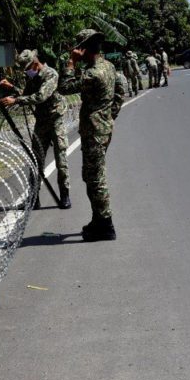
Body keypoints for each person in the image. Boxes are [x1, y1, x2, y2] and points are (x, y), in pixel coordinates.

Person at [58, 29, 125, 241]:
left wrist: (71, 63)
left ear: (84, 49)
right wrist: (108, 117)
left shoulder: (93, 74)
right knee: (91, 175)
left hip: (94, 132)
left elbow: (64, 87)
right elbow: (120, 91)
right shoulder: (109, 66)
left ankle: (105, 224)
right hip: (102, 129)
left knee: (95, 178)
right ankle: (98, 219)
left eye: (78, 48)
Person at [0, 49, 71, 210]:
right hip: (41, 120)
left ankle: (64, 194)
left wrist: (16, 100)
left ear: (35, 63)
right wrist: (12, 89)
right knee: (35, 160)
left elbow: (40, 96)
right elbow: (26, 94)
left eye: (28, 68)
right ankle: (34, 198)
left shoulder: (50, 74)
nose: (26, 72)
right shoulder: (32, 77)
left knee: (60, 159)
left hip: (55, 119)